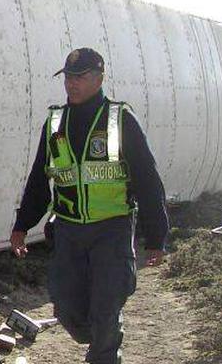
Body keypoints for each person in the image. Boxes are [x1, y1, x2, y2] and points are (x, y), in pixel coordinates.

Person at [9, 48, 169, 364]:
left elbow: (148, 180)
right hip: (68, 231)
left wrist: (157, 237)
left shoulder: (120, 119)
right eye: (68, 77)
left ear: (99, 78)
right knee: (67, 309)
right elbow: (40, 180)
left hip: (112, 229)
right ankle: (97, 336)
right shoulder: (55, 122)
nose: (72, 84)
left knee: (106, 308)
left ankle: (104, 353)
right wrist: (21, 226)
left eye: (80, 77)